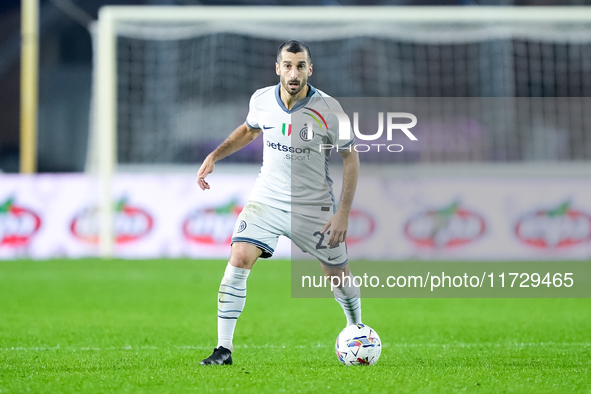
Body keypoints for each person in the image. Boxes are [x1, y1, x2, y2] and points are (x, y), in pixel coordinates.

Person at [197, 40, 361, 366]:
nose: (294, 72)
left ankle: (356, 327)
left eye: (300, 65)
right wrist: (215, 155)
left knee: (335, 273)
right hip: (267, 199)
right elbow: (248, 130)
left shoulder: (329, 109)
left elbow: (351, 158)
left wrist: (342, 213)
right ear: (278, 69)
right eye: (288, 65)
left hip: (313, 205)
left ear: (310, 70)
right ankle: (223, 349)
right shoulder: (261, 100)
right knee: (240, 256)